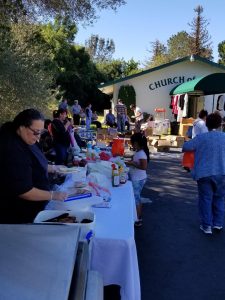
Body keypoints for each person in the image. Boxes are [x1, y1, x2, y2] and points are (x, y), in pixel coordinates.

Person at [0, 108, 67, 224]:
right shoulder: (12, 149)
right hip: (19, 214)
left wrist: (53, 168)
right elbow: (24, 190)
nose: (38, 137)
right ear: (21, 127)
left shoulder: (25, 137)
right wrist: (53, 195)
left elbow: (33, 163)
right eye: (36, 132)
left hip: (35, 207)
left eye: (40, 132)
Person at [182, 113, 225, 235]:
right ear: (220, 123)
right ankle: (218, 223)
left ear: (206, 123)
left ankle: (207, 226)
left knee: (205, 199)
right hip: (222, 172)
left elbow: (185, 147)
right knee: (220, 198)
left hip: (204, 173)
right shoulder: (224, 137)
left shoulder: (201, 138)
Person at [126, 132, 150, 227]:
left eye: (132, 143)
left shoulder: (141, 154)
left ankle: (138, 219)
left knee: (136, 199)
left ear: (136, 143)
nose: (131, 145)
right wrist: (131, 161)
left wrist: (132, 164)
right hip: (138, 178)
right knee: (137, 197)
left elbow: (144, 167)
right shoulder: (139, 152)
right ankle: (137, 216)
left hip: (138, 179)